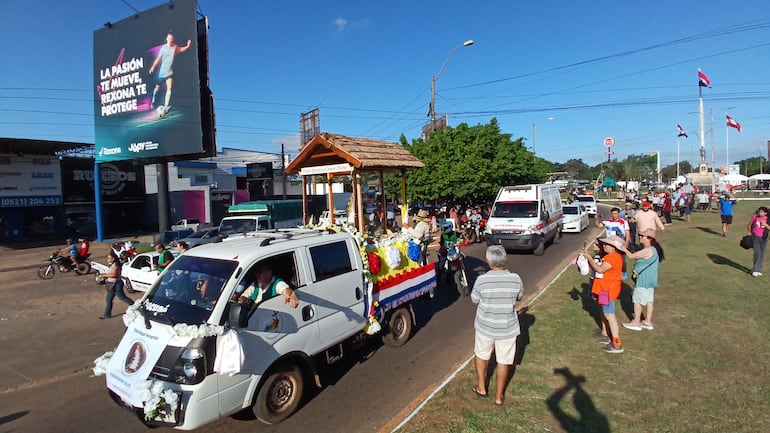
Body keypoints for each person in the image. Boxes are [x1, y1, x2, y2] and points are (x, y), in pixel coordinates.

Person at [470, 245, 523, 406]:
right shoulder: (515, 279)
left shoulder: (481, 280)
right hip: (508, 327)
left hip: (485, 326)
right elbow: (519, 297)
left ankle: (481, 387)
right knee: (504, 360)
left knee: (481, 354)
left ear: (488, 262)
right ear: (505, 260)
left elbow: (474, 300)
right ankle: (499, 396)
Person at [580, 235, 626, 353]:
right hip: (604, 290)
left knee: (610, 315)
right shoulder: (611, 257)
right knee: (604, 312)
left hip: (609, 291)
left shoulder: (613, 258)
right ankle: (607, 335)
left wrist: (589, 258)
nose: (604, 246)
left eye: (607, 244)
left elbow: (600, 269)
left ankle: (616, 343)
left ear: (614, 247)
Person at [622, 228, 664, 331]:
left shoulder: (647, 250)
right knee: (649, 301)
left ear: (649, 238)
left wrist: (623, 248)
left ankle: (636, 322)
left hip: (643, 280)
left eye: (642, 236)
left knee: (637, 301)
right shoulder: (654, 250)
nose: (640, 237)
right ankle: (647, 322)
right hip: (651, 280)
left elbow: (631, 256)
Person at [149, 30, 192, 115]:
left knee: (169, 88)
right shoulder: (163, 48)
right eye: (169, 39)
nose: (170, 40)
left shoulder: (175, 47)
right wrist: (153, 66)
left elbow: (181, 49)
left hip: (170, 73)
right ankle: (153, 101)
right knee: (157, 88)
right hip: (162, 72)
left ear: (173, 39)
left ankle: (166, 106)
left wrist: (188, 46)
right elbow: (158, 58)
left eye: (171, 39)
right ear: (167, 38)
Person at [100, 251, 134, 319]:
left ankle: (135, 306)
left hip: (116, 284)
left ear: (113, 259)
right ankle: (107, 315)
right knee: (109, 299)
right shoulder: (112, 265)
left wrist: (104, 276)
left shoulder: (115, 265)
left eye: (109, 258)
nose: (107, 259)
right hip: (111, 285)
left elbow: (114, 275)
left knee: (122, 297)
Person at [748, 206, 770, 277]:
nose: (759, 213)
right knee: (757, 253)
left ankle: (759, 269)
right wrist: (749, 232)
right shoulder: (755, 217)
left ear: (765, 213)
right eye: (759, 212)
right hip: (756, 237)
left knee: (762, 254)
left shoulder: (767, 219)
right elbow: (750, 224)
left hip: (764, 238)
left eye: (761, 212)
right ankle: (755, 270)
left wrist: (766, 225)